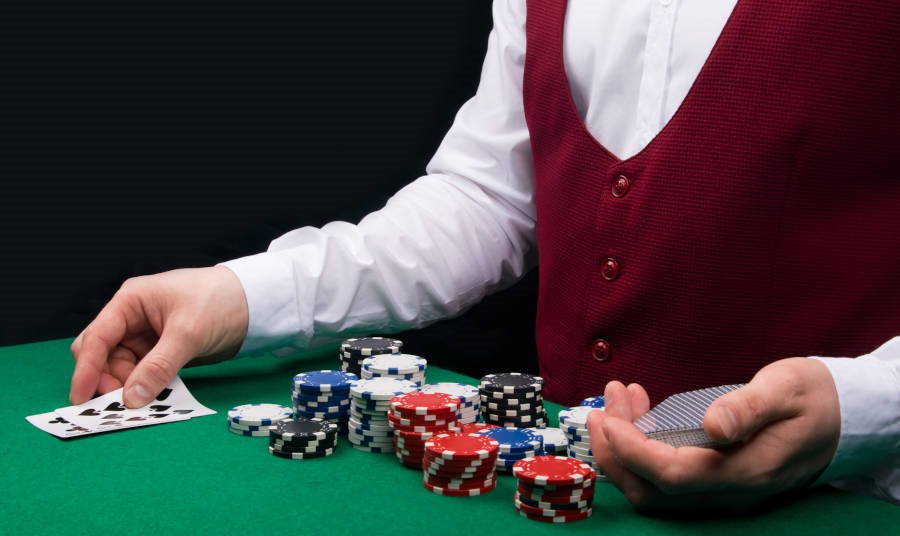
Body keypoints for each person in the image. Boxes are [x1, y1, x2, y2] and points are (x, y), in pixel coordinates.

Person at [69, 1, 899, 511]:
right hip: (570, 497)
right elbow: (489, 198)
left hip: (843, 505)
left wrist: (857, 411)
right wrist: (243, 295)